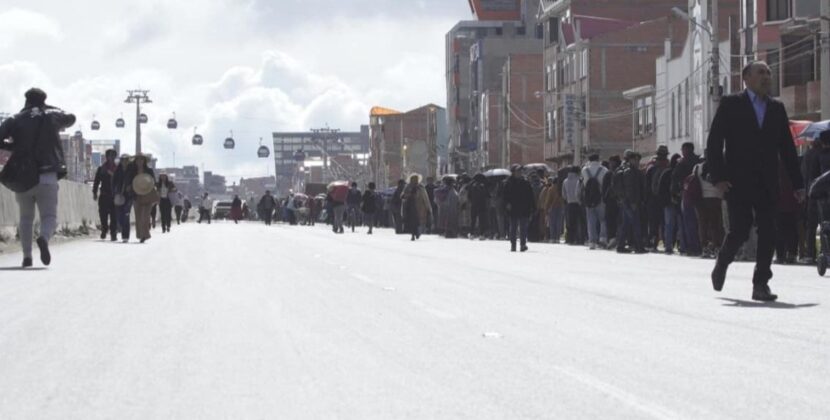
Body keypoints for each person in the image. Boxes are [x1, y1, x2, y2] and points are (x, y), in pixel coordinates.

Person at [708, 61, 804, 302]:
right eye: (761, 72)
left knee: (769, 231)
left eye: (769, 73)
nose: (766, 77)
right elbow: (715, 142)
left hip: (767, 181)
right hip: (737, 181)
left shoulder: (776, 109)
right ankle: (722, 263)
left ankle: (761, 284)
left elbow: (787, 149)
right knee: (739, 229)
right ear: (746, 77)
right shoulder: (731, 104)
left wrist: (798, 183)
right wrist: (718, 178)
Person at [0, 88, 75, 267]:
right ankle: (44, 238)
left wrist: (15, 147)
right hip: (47, 174)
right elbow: (71, 117)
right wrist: (49, 107)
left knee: (26, 218)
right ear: (44, 100)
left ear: (26, 100)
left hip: (24, 176)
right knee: (49, 216)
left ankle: (27, 257)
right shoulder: (51, 115)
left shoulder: (15, 119)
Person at [671, 142, 703, 256]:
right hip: (701, 196)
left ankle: (691, 246)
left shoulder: (682, 163)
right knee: (701, 223)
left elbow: (674, 179)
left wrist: (675, 194)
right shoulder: (699, 161)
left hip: (687, 196)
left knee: (688, 222)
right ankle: (701, 245)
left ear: (685, 150)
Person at [693, 153, 724, 258]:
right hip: (716, 197)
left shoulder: (697, 167)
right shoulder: (719, 167)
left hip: (701, 198)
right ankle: (716, 246)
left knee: (703, 224)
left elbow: (694, 180)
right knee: (716, 224)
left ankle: (704, 247)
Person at [615, 150, 646, 254]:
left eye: (638, 160)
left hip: (627, 202)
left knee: (626, 224)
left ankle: (620, 245)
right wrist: (632, 202)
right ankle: (639, 247)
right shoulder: (629, 172)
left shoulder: (633, 171)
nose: (637, 162)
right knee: (636, 224)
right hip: (630, 203)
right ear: (631, 160)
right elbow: (629, 189)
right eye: (635, 160)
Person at [502, 164, 536, 252]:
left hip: (524, 208)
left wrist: (533, 207)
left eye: (520, 171)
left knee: (523, 227)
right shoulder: (508, 183)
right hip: (513, 208)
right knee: (513, 227)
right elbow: (504, 196)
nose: (519, 173)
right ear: (513, 172)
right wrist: (506, 204)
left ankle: (523, 244)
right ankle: (513, 244)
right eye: (517, 171)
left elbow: (530, 196)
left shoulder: (525, 183)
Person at [644, 146, 671, 250]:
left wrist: (646, 200)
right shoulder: (669, 168)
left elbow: (647, 186)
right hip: (665, 200)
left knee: (653, 224)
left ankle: (652, 243)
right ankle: (666, 243)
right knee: (665, 223)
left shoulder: (651, 169)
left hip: (652, 200)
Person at [125, 154, 156, 243]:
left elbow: (153, 181)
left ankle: (145, 234)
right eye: (138, 160)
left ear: (144, 161)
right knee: (138, 217)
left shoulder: (149, 171)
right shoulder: (132, 171)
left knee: (145, 217)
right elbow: (128, 180)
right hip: (136, 195)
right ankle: (140, 235)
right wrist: (129, 186)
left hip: (147, 194)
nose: (139, 161)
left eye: (141, 160)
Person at [582, 154, 609, 249]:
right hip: (601, 198)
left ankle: (592, 241)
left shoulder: (585, 170)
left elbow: (584, 185)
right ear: (598, 159)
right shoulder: (604, 170)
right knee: (603, 219)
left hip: (589, 198)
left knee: (591, 220)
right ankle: (602, 239)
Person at [92, 149, 119, 241]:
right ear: (106, 157)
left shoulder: (117, 169)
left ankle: (113, 233)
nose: (111, 158)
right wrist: (94, 192)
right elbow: (96, 181)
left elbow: (120, 182)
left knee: (114, 216)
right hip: (104, 195)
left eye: (113, 156)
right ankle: (104, 229)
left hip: (114, 196)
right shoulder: (102, 169)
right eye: (109, 156)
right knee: (103, 214)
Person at [401, 174, 432, 241]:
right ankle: (413, 234)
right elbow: (403, 196)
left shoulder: (421, 187)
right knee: (412, 222)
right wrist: (409, 194)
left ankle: (417, 233)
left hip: (419, 208)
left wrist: (428, 208)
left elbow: (425, 198)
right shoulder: (408, 187)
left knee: (419, 222)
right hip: (410, 207)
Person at [112, 155, 133, 242]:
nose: (124, 162)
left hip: (128, 196)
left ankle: (125, 236)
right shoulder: (118, 170)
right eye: (123, 160)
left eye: (126, 160)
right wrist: (115, 192)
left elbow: (135, 181)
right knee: (119, 215)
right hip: (119, 195)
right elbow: (113, 182)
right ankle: (120, 227)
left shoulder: (131, 170)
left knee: (126, 214)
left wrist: (131, 186)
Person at [562, 166, 583, 245]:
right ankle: (580, 239)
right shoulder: (579, 180)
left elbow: (563, 194)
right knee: (580, 222)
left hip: (569, 203)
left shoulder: (565, 181)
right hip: (579, 203)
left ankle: (570, 239)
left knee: (570, 222)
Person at [540, 176, 564, 244]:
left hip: (552, 207)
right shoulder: (560, 189)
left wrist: (546, 208)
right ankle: (557, 237)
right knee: (559, 223)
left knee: (552, 223)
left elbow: (548, 200)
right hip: (560, 207)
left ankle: (553, 237)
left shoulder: (551, 189)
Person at [468, 173, 489, 240]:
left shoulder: (471, 185)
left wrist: (472, 201)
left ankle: (472, 234)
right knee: (482, 220)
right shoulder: (483, 185)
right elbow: (487, 194)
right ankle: (481, 234)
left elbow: (469, 195)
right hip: (482, 204)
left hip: (474, 204)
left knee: (473, 220)